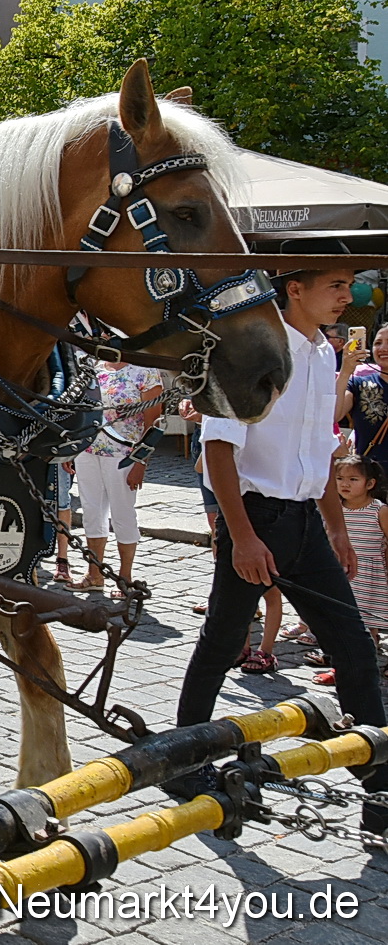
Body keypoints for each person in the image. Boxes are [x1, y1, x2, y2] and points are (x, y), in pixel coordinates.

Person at [174, 249, 388, 833]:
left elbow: (318, 451)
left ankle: (379, 783)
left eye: (349, 286)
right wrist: (239, 536)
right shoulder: (250, 351)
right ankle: (183, 757)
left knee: (352, 644)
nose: (349, 296)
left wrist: (337, 527)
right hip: (256, 518)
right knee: (221, 642)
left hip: (306, 522)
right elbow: (217, 448)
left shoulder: (325, 352)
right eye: (337, 286)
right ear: (295, 289)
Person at [69, 357, 162, 595]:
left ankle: (125, 576)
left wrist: (141, 462)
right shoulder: (94, 369)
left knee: (123, 513)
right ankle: (94, 573)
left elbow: (153, 423)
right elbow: (80, 410)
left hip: (124, 455)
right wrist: (72, 447)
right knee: (92, 512)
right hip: (88, 450)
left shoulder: (145, 372)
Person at [314, 455, 388, 687]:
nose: (345, 484)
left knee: (368, 624)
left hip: (370, 576)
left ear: (370, 484)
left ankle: (364, 668)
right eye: (339, 478)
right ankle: (345, 668)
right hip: (341, 574)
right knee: (344, 625)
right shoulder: (333, 509)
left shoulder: (379, 510)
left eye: (353, 479)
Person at [339, 326, 388, 473]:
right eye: (378, 343)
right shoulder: (358, 384)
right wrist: (345, 371)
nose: (383, 348)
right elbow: (334, 414)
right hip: (370, 479)